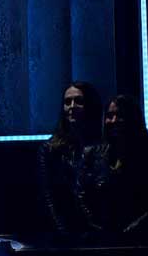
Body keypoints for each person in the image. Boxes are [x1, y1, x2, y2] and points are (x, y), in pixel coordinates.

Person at [77, 94, 148, 238]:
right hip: (98, 237)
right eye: (110, 115)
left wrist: (129, 232)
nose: (114, 121)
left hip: (141, 238)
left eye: (120, 115)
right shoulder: (91, 154)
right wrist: (97, 227)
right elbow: (82, 196)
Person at [36, 81, 102, 238]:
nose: (72, 106)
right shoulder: (51, 149)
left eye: (79, 101)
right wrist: (65, 236)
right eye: (67, 102)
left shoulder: (102, 145)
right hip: (65, 234)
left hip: (100, 232)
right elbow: (49, 198)